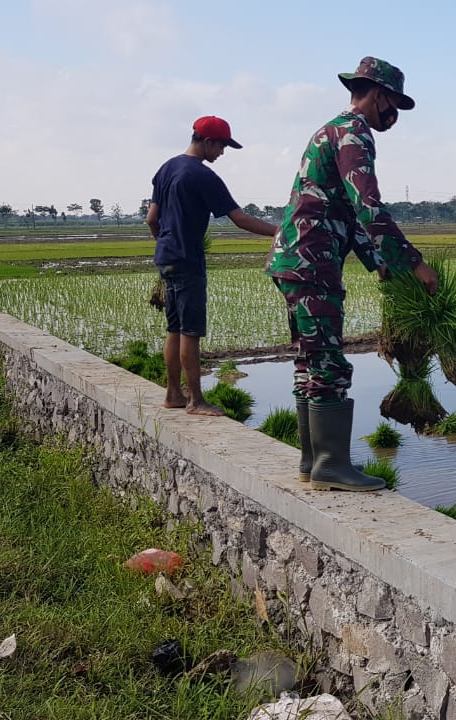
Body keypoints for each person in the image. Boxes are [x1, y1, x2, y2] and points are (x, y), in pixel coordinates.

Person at [266, 57, 438, 492]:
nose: (394, 115)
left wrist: (379, 263)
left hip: (295, 260)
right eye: (393, 103)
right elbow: (368, 206)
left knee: (309, 359)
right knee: (327, 362)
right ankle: (331, 466)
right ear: (378, 94)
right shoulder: (354, 133)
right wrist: (412, 261)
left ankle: (312, 461)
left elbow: (345, 210)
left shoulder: (330, 129)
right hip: (313, 261)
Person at [146, 116, 278, 416]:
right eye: (221, 146)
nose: (222, 153)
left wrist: (165, 242)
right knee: (191, 330)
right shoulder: (202, 176)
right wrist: (279, 231)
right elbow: (240, 219)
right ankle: (195, 400)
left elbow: (151, 219)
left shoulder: (166, 168)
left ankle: (173, 394)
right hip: (188, 260)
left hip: (166, 256)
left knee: (174, 327)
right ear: (207, 141)